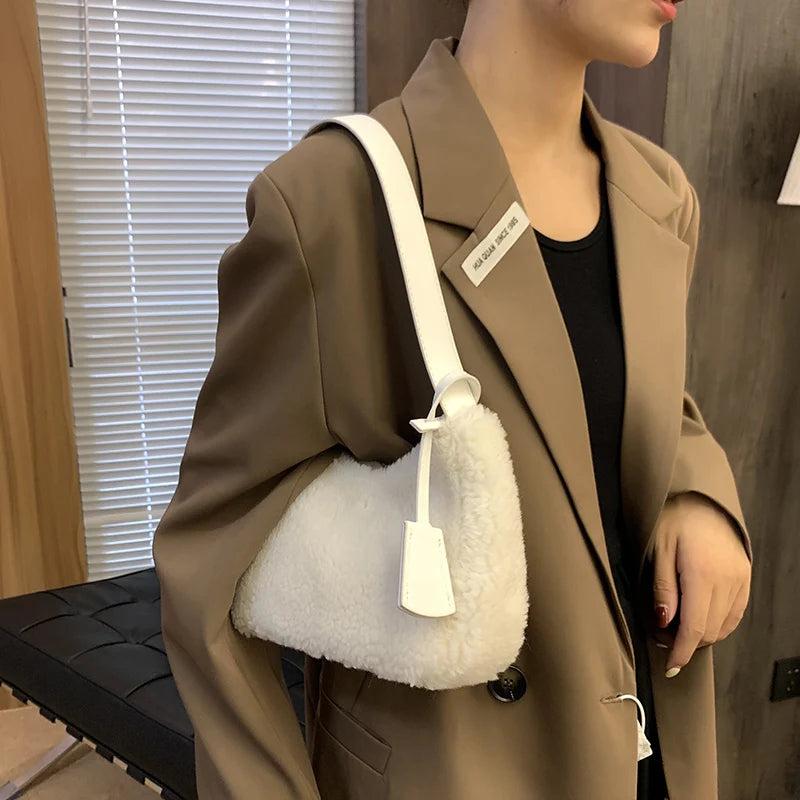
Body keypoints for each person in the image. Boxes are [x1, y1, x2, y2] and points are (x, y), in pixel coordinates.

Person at [153, 2, 753, 798]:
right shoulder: (330, 200)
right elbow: (211, 550)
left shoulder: (659, 193)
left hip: (653, 740)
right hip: (461, 766)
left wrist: (697, 494)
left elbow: (637, 404)